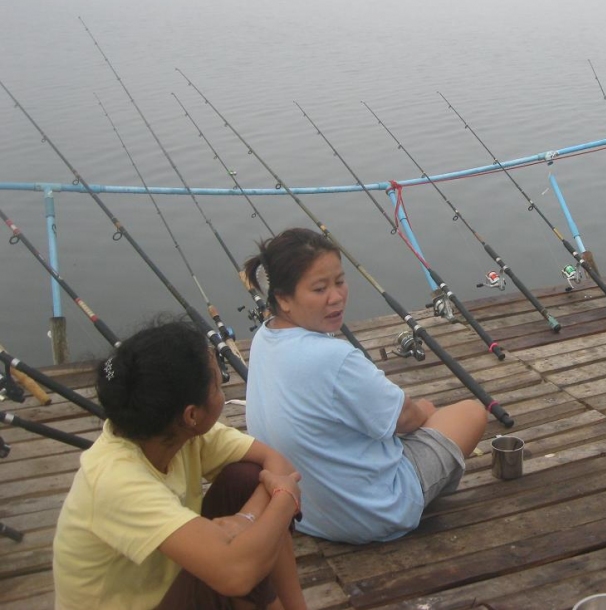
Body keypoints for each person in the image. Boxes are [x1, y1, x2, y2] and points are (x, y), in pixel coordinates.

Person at [242, 228, 488, 545]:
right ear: (283, 299)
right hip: (373, 515)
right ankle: (417, 492)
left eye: (339, 282)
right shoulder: (335, 357)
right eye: (319, 289)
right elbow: (408, 418)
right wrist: (425, 411)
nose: (336, 297)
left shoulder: (264, 337)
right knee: (470, 412)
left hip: (303, 511)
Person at [53, 320, 307, 610]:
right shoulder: (115, 480)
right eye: (217, 384)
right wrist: (284, 498)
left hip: (171, 587)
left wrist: (246, 518)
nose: (222, 388)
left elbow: (278, 464)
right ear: (191, 415)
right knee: (244, 553)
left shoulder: (173, 432)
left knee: (247, 479)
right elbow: (236, 574)